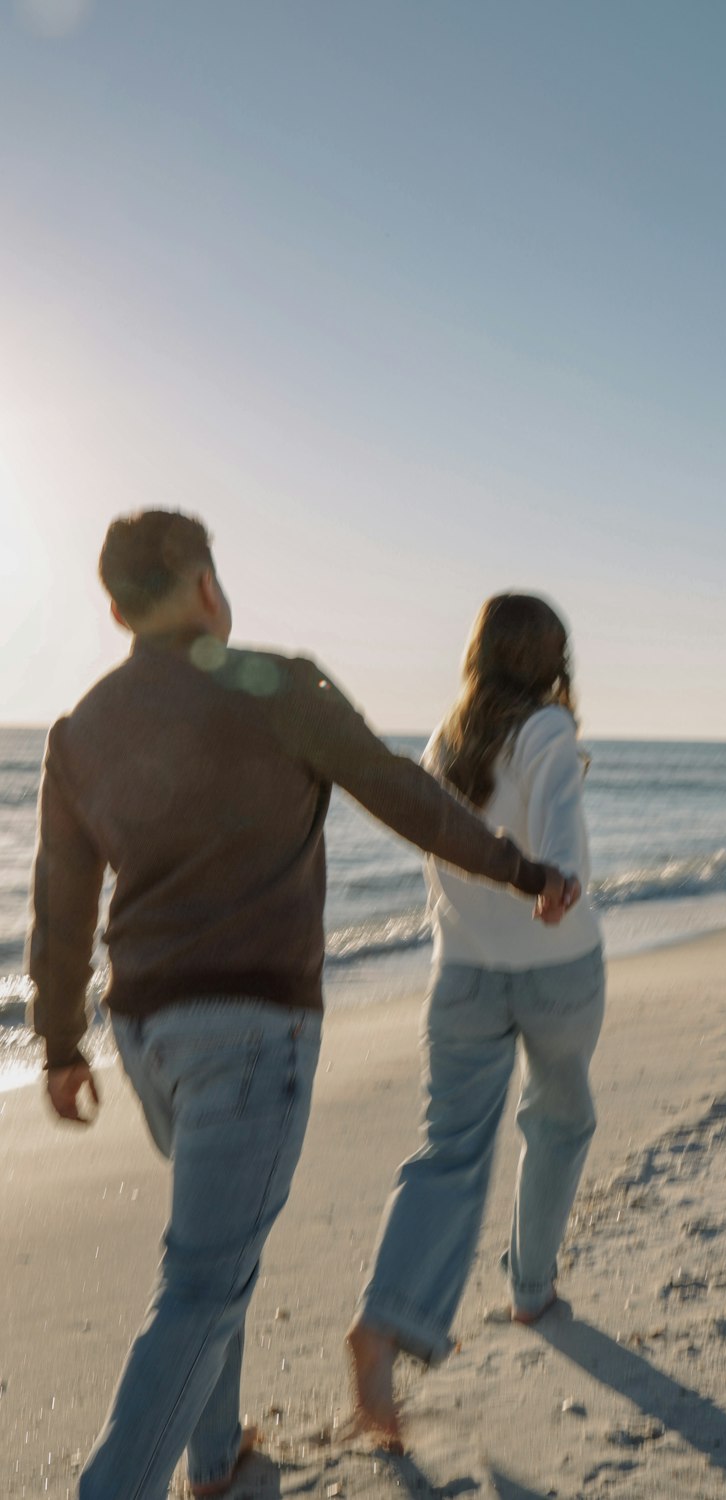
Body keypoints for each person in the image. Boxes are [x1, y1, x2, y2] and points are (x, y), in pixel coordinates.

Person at [28, 513, 575, 1500]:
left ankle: (215, 1453)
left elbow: (63, 905)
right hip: (249, 1030)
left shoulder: (81, 729)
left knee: (214, 1252)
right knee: (204, 1281)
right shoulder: (274, 683)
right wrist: (518, 868)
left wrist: (60, 1044)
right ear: (205, 589)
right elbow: (398, 791)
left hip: (142, 1034)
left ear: (114, 609)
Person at [347, 593, 605, 1448]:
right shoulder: (550, 733)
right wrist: (557, 879)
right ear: (551, 659)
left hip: (458, 979)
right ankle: (530, 1290)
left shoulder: (443, 741)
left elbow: (454, 833)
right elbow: (559, 826)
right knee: (559, 1121)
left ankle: (384, 1322)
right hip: (555, 974)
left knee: (450, 1150)